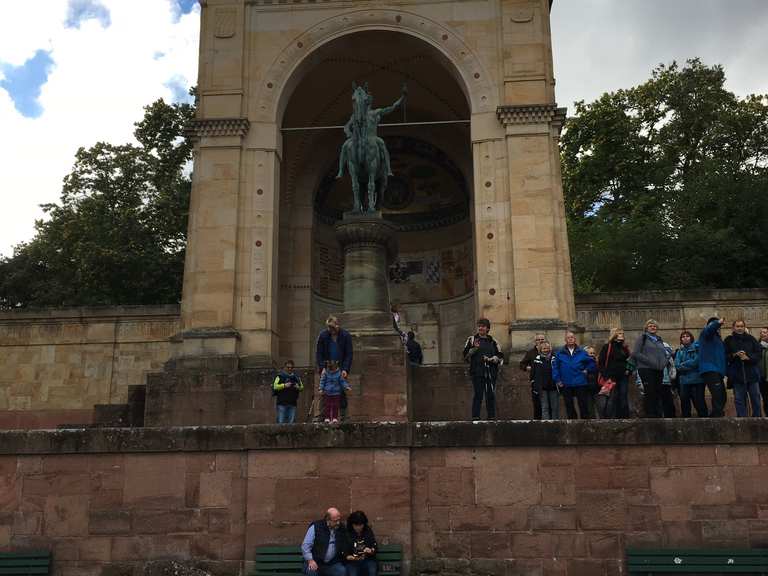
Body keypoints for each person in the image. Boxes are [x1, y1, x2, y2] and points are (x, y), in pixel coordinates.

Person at [462, 318, 504, 420]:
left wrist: (494, 358)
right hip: (477, 371)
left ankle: (491, 416)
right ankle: (476, 416)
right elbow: (465, 355)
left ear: (487, 328)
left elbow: (500, 356)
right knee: (478, 394)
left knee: (490, 394)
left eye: (483, 326)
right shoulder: (472, 339)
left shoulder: (493, 341)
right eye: (479, 326)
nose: (480, 328)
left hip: (491, 371)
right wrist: (474, 349)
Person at [552, 332, 596, 419]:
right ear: (565, 340)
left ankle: (585, 423)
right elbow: (555, 368)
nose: (571, 339)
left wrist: (587, 370)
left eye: (572, 337)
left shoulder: (582, 352)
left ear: (575, 339)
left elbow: (592, 363)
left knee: (583, 405)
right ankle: (573, 424)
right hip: (566, 383)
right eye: (568, 338)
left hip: (580, 382)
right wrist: (557, 380)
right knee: (569, 405)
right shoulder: (559, 353)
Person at [316, 316, 353, 420]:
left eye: (332, 327)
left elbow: (349, 354)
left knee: (341, 391)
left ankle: (343, 415)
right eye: (328, 327)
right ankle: (322, 415)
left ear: (337, 325)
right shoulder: (323, 336)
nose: (330, 330)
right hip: (327, 368)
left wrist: (345, 369)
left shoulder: (345, 335)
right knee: (324, 391)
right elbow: (319, 354)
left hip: (340, 368)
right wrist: (322, 367)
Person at [724, 320, 763, 417]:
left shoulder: (751, 339)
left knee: (756, 399)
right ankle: (742, 421)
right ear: (733, 328)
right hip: (737, 375)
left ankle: (757, 420)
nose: (740, 328)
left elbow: (758, 354)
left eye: (741, 326)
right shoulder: (728, 340)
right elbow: (725, 356)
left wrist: (748, 357)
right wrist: (735, 355)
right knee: (739, 400)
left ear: (744, 327)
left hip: (752, 374)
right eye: (737, 326)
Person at [632, 319, 668, 418]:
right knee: (650, 390)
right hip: (646, 368)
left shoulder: (659, 340)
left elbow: (664, 354)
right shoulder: (642, 338)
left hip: (658, 369)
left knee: (657, 391)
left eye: (655, 326)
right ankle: (650, 413)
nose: (653, 327)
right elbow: (636, 353)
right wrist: (650, 361)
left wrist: (664, 363)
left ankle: (657, 413)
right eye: (650, 325)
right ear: (646, 328)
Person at [301, 507, 348, 576]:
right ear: (328, 520)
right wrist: (310, 560)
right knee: (311, 571)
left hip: (332, 563)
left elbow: (346, 543)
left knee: (342, 571)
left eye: (339, 520)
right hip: (315, 561)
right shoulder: (316, 527)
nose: (338, 523)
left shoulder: (341, 528)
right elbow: (305, 546)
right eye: (335, 521)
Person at [597, 328, 631, 419]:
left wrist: (629, 370)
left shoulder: (625, 348)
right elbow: (601, 363)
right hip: (611, 377)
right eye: (620, 333)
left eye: (623, 333)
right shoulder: (607, 347)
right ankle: (610, 418)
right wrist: (606, 376)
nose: (622, 334)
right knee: (611, 398)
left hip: (623, 376)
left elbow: (630, 362)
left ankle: (623, 418)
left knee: (623, 397)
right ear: (614, 334)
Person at [698, 317, 727, 417]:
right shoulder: (706, 335)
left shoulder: (718, 340)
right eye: (715, 326)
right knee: (718, 395)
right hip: (710, 369)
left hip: (718, 371)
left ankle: (715, 415)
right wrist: (717, 322)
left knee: (722, 396)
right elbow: (709, 330)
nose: (718, 328)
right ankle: (717, 417)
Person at [675, 330, 708, 418]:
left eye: (687, 336)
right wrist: (687, 365)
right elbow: (677, 365)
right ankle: (686, 418)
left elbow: (696, 362)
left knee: (699, 401)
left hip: (697, 379)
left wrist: (684, 364)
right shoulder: (679, 351)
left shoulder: (696, 348)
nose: (685, 338)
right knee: (684, 401)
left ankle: (704, 418)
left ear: (691, 338)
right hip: (684, 380)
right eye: (683, 337)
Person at [519, 334, 546, 420]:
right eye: (538, 339)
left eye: (542, 339)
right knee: (537, 404)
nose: (541, 341)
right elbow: (522, 364)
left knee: (547, 405)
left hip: (548, 382)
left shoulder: (549, 351)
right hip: (536, 383)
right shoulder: (531, 353)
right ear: (535, 342)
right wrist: (527, 368)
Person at [343, 510, 378, 576]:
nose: (358, 527)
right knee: (352, 573)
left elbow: (375, 546)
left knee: (372, 570)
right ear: (352, 524)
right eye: (356, 525)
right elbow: (344, 549)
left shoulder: (367, 531)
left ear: (364, 524)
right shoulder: (347, 533)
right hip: (353, 562)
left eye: (361, 525)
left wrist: (371, 550)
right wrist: (347, 556)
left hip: (367, 560)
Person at [531, 341, 558, 420]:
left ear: (550, 349)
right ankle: (547, 425)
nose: (546, 350)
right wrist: (534, 384)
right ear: (540, 349)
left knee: (554, 407)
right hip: (542, 387)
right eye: (544, 348)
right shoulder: (536, 359)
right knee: (544, 407)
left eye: (547, 348)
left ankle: (555, 424)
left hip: (553, 386)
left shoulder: (555, 358)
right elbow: (533, 373)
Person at [660, 342, 677, 418]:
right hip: (656, 381)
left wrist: (672, 376)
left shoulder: (665, 347)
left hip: (666, 381)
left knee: (669, 402)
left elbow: (671, 366)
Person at [759, 327, 768, 416]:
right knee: (765, 399)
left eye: (765, 332)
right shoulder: (758, 347)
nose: (762, 334)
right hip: (762, 378)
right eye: (761, 332)